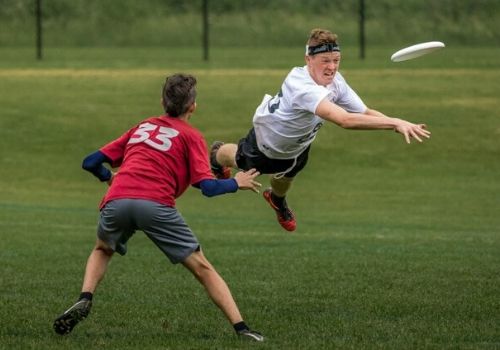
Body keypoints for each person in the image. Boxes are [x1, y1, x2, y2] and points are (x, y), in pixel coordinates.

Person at [53, 73, 264, 342]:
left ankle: (85, 297)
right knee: (202, 267)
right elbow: (208, 187)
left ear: (162, 101)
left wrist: (109, 179)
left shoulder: (142, 127)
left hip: (117, 201)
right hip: (155, 205)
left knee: (103, 248)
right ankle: (242, 328)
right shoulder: (191, 136)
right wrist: (237, 182)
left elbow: (90, 161)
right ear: (193, 107)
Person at [210, 28, 431, 232]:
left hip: (299, 144)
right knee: (238, 158)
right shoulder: (302, 87)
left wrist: (402, 125)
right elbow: (344, 120)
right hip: (267, 145)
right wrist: (394, 122)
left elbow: (365, 112)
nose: (332, 67)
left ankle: (276, 200)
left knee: (288, 175)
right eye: (325, 61)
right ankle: (216, 155)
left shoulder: (335, 81)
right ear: (308, 59)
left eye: (336, 60)